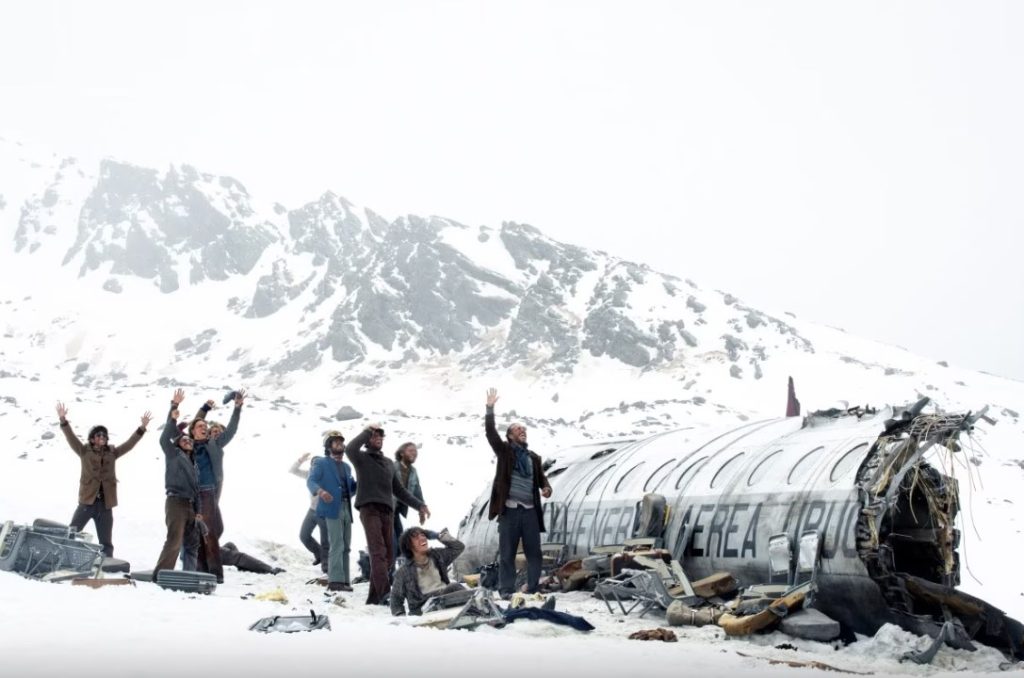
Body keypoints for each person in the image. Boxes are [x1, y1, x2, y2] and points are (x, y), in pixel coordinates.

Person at [345, 423, 430, 605]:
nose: (378, 439)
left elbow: (399, 490)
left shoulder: (388, 464)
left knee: (390, 556)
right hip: (369, 509)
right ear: (367, 441)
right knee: (378, 553)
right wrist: (367, 431)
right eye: (374, 437)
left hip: (387, 511)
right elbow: (350, 448)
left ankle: (375, 598)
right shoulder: (361, 458)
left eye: (380, 437)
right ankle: (386, 594)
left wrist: (419, 505)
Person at [55, 402, 151, 558]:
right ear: (92, 439)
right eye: (99, 435)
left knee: (106, 541)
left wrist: (141, 428)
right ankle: (60, 557)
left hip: (105, 505)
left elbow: (129, 444)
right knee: (72, 532)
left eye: (104, 435)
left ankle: (107, 565)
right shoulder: (84, 451)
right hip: (87, 502)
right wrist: (63, 420)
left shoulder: (112, 453)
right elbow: (71, 437)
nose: (102, 437)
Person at [484, 388, 552, 598]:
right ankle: (506, 590)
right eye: (517, 429)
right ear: (510, 435)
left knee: (534, 553)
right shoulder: (505, 452)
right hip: (510, 510)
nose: (522, 431)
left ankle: (532, 587)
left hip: (530, 511)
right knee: (508, 554)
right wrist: (489, 409)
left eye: (524, 429)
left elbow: (541, 479)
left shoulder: (533, 458)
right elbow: (490, 433)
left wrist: (546, 487)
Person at [181, 392, 245, 583]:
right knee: (196, 533)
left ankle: (216, 574)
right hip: (191, 494)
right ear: (193, 431)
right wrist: (204, 409)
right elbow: (195, 421)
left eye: (205, 426)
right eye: (200, 426)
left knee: (209, 533)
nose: (204, 428)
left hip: (207, 492)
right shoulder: (188, 445)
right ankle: (200, 569)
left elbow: (231, 430)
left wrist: (237, 408)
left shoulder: (213, 444)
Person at [153, 389, 201, 577]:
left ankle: (188, 575)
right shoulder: (173, 454)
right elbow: (165, 437)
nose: (188, 441)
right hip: (175, 502)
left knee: (192, 543)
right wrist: (174, 408)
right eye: (185, 439)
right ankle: (161, 575)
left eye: (190, 440)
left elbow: (196, 490)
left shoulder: (193, 463)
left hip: (190, 505)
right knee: (174, 540)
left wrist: (198, 512)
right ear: (179, 443)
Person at [306, 432, 357, 592]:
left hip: (346, 507)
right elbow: (311, 481)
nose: (339, 444)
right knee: (337, 544)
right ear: (328, 446)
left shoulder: (347, 467)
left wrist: (360, 483)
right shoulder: (321, 463)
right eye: (335, 442)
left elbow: (351, 489)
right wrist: (321, 492)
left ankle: (345, 580)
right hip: (330, 508)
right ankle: (335, 581)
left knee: (346, 546)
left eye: (341, 441)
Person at [390, 527, 466, 616]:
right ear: (409, 545)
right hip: (423, 609)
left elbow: (458, 547)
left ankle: (473, 610)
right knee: (455, 587)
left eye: (423, 535)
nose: (422, 538)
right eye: (416, 537)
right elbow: (396, 597)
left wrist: (439, 535)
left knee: (457, 588)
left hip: (445, 598)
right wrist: (401, 617)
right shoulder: (403, 571)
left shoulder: (437, 556)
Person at [290, 451, 329, 572]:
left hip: (324, 512)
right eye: (312, 464)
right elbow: (292, 470)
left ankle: (326, 566)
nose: (314, 467)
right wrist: (301, 459)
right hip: (312, 510)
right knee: (304, 535)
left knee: (325, 540)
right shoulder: (309, 475)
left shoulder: (327, 476)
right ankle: (318, 554)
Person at [392, 442, 425, 567]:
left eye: (415, 451)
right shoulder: (393, 467)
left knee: (400, 538)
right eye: (410, 450)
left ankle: (400, 566)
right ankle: (391, 569)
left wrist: (421, 508)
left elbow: (417, 491)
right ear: (402, 453)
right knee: (393, 540)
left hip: (397, 510)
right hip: (388, 508)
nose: (414, 453)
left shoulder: (413, 471)